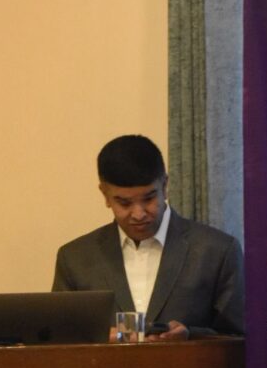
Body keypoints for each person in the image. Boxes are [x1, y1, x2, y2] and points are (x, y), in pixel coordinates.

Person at [52, 134, 243, 338]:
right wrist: (100, 338)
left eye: (149, 198)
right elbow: (57, 340)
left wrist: (190, 336)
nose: (139, 213)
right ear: (105, 195)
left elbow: (241, 342)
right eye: (124, 203)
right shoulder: (75, 259)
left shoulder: (216, 251)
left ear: (165, 186)